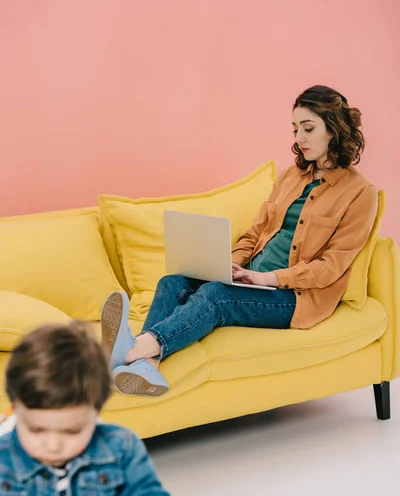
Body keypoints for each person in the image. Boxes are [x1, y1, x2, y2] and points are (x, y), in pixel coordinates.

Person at [101, 84, 378, 397]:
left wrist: (266, 278)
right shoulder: (290, 177)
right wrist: (231, 261)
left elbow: (331, 266)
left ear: (333, 128)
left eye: (308, 128)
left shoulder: (360, 193)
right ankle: (148, 366)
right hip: (250, 279)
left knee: (217, 296)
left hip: (295, 297)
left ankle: (129, 351)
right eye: (295, 129)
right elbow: (256, 231)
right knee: (171, 282)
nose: (298, 139)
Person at [0, 322, 172, 496]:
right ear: (15, 408)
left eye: (72, 431)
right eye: (36, 430)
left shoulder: (120, 448)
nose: (53, 444)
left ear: (96, 409)